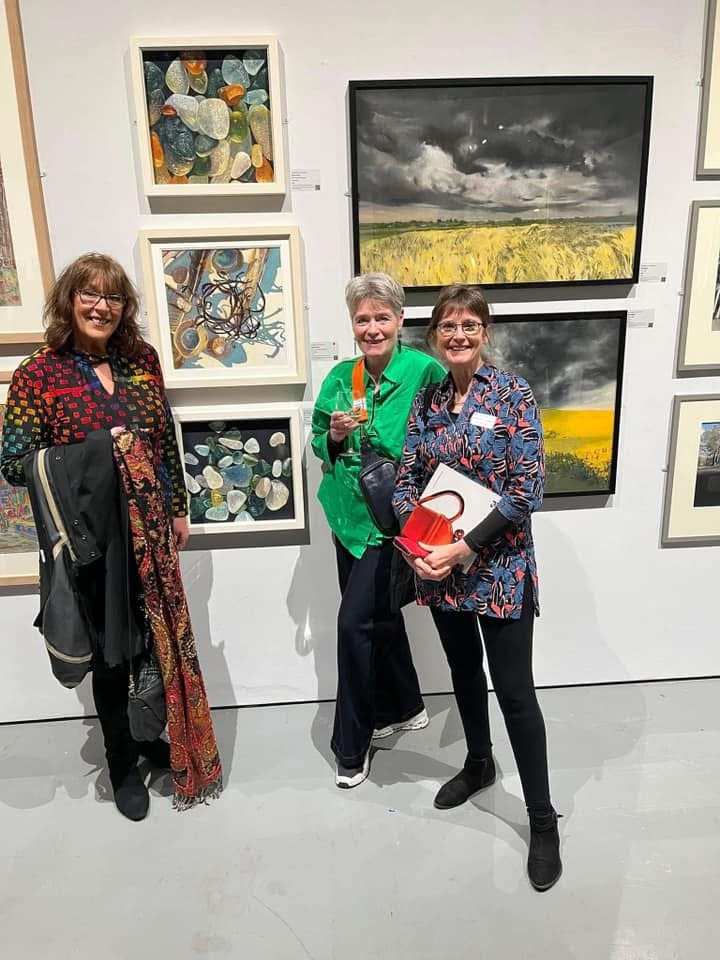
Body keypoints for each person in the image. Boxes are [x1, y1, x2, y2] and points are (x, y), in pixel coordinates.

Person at [0, 252, 221, 819]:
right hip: (90, 540)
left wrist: (177, 506)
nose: (102, 307)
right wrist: (100, 452)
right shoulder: (39, 373)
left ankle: (148, 736)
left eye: (114, 298)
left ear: (127, 307)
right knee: (109, 652)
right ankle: (122, 759)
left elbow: (164, 439)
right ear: (69, 301)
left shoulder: (141, 360)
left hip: (148, 527)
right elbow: (14, 461)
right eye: (90, 295)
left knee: (151, 642)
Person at [392, 284, 561, 891]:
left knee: (516, 693)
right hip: (440, 568)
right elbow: (408, 476)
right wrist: (422, 550)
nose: (457, 335)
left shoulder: (514, 395)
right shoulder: (430, 399)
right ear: (434, 335)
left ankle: (542, 820)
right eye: (447, 326)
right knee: (464, 675)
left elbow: (526, 492)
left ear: (484, 332)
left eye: (469, 325)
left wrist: (462, 547)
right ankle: (479, 763)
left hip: (500, 569)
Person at [311, 273, 446, 789]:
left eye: (381, 318)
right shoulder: (341, 378)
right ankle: (406, 706)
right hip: (346, 517)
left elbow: (448, 434)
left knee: (354, 627)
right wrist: (334, 434)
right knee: (379, 617)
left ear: (399, 320)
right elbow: (320, 444)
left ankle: (351, 744)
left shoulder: (424, 371)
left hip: (393, 523)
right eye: (362, 319)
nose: (372, 328)